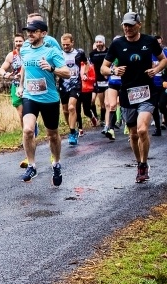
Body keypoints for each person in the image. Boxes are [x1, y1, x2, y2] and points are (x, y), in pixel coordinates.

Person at [101, 12, 167, 183]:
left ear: (139, 25)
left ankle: (144, 164)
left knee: (142, 129)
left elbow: (163, 60)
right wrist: (114, 71)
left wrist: (156, 70)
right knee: (133, 133)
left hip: (147, 91)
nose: (127, 28)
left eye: (130, 25)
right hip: (127, 93)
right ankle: (139, 163)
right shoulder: (117, 44)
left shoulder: (149, 41)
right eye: (125, 25)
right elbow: (103, 68)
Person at [17, 19, 70, 185]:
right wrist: (20, 85)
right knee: (27, 130)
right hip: (30, 96)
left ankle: (56, 163)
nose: (30, 34)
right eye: (28, 31)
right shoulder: (24, 48)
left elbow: (67, 73)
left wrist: (52, 68)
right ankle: (32, 165)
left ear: (43, 33)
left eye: (34, 31)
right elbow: (25, 65)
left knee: (52, 135)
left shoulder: (52, 51)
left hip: (49, 98)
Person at [0, 34, 34, 169]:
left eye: (20, 41)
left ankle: (30, 131)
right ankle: (26, 134)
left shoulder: (29, 53)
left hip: (28, 85)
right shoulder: (11, 55)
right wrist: (5, 74)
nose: (18, 43)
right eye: (16, 41)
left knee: (27, 112)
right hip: (15, 86)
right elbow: (2, 68)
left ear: (24, 42)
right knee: (21, 114)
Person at [59, 34, 86, 146]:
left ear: (72, 42)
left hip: (76, 84)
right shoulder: (59, 54)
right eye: (63, 44)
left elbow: (86, 63)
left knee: (71, 107)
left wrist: (83, 72)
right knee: (65, 111)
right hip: (63, 85)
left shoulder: (79, 53)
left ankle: (72, 132)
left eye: (67, 44)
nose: (65, 46)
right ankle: (72, 127)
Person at [89, 35, 109, 130]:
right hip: (98, 80)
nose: (98, 44)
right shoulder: (92, 54)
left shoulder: (108, 51)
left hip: (108, 80)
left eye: (100, 42)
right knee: (101, 103)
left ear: (103, 42)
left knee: (106, 102)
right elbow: (90, 67)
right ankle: (99, 118)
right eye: (97, 42)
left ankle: (106, 120)